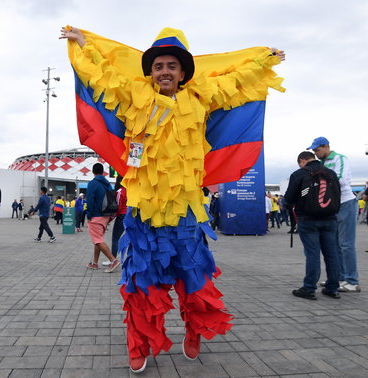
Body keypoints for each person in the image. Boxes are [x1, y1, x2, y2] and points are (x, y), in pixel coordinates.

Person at [61, 26, 284, 373]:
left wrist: (263, 61)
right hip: (143, 213)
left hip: (187, 214)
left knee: (195, 282)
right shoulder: (133, 93)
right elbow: (102, 78)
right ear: (150, 71)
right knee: (139, 284)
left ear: (183, 73)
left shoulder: (201, 97)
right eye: (159, 66)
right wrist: (84, 46)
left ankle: (194, 331)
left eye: (172, 66)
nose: (165, 71)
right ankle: (140, 343)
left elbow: (236, 82)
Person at [284, 151, 341, 300]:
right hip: (330, 219)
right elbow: (338, 195)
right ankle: (333, 288)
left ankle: (309, 288)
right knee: (332, 254)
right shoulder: (331, 174)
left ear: (302, 161)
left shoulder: (299, 174)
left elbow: (288, 199)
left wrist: (288, 205)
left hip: (308, 219)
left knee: (312, 254)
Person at [310, 137, 360, 293]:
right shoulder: (322, 164)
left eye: (317, 150)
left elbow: (342, 180)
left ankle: (352, 280)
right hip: (331, 206)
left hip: (346, 203)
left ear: (326, 147)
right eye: (313, 151)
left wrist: (321, 184)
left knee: (346, 244)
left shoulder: (340, 158)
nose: (315, 153)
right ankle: (339, 277)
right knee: (335, 244)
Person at [85, 163, 120, 272]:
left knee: (97, 239)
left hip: (96, 215)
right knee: (98, 239)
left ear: (93, 171)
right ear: (103, 171)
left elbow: (90, 201)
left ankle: (113, 260)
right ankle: (94, 263)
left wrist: (89, 215)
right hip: (106, 215)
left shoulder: (92, 184)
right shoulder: (107, 184)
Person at [108, 175, 127, 264]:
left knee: (115, 239)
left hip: (121, 217)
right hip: (129, 216)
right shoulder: (128, 190)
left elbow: (118, 207)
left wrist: (110, 219)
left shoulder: (120, 191)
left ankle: (113, 260)